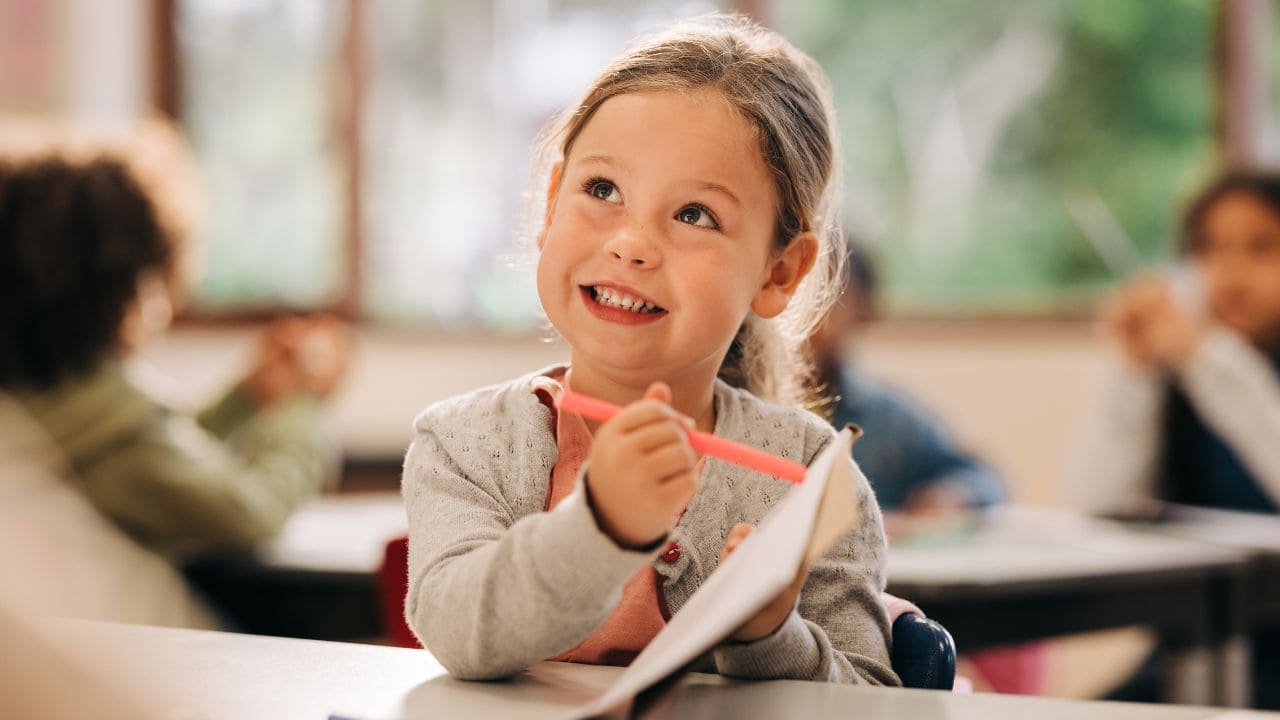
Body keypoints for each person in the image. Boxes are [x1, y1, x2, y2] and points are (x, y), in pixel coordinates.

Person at [401, 14, 898, 685]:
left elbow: (871, 697)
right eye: (602, 190)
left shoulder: (807, 478)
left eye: (694, 214)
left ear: (779, 271)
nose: (631, 242)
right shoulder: (462, 443)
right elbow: (458, 633)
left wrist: (770, 636)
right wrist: (600, 531)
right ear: (550, 206)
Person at [0, 118, 350, 623]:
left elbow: (164, 452)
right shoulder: (118, 438)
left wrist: (245, 398)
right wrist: (298, 406)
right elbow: (250, 512)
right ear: (120, 284)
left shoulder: (40, 401)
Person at [1074, 171, 1280, 708]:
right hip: (1194, 645)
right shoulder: (1183, 376)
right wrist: (1132, 372)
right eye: (1211, 249)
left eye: (1262, 247)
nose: (1231, 271)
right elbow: (1096, 504)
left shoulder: (1210, 364)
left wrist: (1207, 359)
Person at [809, 241, 1003, 535]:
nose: (811, 316)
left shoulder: (887, 415)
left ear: (865, 311)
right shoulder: (740, 405)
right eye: (803, 295)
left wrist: (951, 495)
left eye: (831, 298)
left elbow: (981, 477)